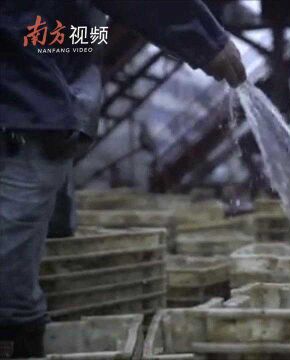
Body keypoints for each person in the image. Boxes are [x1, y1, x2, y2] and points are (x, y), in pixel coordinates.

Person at [0, 1, 246, 357]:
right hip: (24, 102)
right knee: (11, 289)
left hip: (42, 102)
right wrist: (208, 41)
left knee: (49, 237)